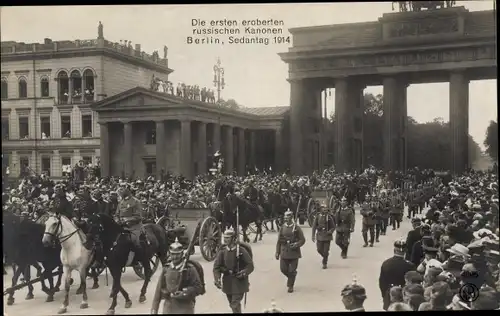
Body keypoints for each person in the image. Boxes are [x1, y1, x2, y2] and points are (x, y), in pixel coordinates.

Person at [151, 238, 203, 314]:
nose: (175, 257)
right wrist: (154, 308)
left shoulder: (190, 269)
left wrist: (185, 292)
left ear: (182, 254)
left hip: (185, 307)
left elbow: (198, 287)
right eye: (172, 254)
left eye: (177, 254)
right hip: (169, 307)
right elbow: (158, 289)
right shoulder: (166, 268)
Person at [213, 229, 254, 313]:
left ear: (233, 239)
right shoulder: (222, 252)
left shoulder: (241, 251)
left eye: (228, 238)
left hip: (239, 282)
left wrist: (243, 273)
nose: (225, 240)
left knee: (234, 304)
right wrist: (217, 278)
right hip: (227, 282)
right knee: (232, 304)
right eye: (224, 237)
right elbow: (216, 267)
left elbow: (250, 266)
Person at [379, 239, 416, 310]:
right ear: (405, 251)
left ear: (394, 250)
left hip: (390, 294)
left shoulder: (386, 263)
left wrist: (385, 295)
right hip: (404, 295)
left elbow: (382, 283)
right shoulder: (410, 265)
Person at [275, 210, 306, 293]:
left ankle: (290, 285)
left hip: (294, 253)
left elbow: (302, 240)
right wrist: (277, 252)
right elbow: (279, 241)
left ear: (291, 217)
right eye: (285, 217)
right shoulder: (282, 227)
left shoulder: (296, 228)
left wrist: (296, 244)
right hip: (284, 252)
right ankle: (291, 277)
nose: (286, 218)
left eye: (288, 217)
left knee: (292, 270)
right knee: (283, 269)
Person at [311, 202, 335, 269]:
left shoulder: (329, 217)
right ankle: (325, 256)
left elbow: (333, 227)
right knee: (319, 249)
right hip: (320, 236)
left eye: (325, 208)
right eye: (323, 208)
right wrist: (313, 236)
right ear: (320, 209)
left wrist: (330, 231)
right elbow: (314, 226)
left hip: (327, 236)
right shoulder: (318, 216)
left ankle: (324, 262)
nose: (324, 210)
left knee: (326, 250)